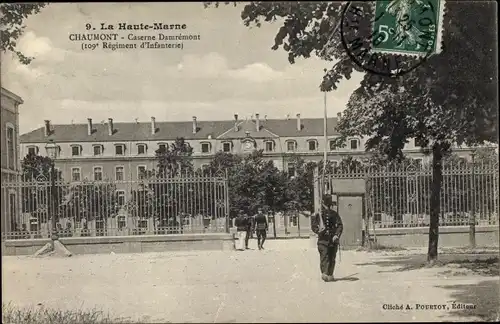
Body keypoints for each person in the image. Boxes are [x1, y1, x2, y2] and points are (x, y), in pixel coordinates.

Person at [311, 195, 343, 282]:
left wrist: (336, 235)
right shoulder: (319, 214)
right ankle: (325, 273)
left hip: (331, 240)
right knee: (325, 256)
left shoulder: (334, 214)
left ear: (322, 203)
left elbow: (339, 225)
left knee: (331, 257)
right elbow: (314, 226)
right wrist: (319, 231)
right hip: (323, 240)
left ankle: (330, 274)